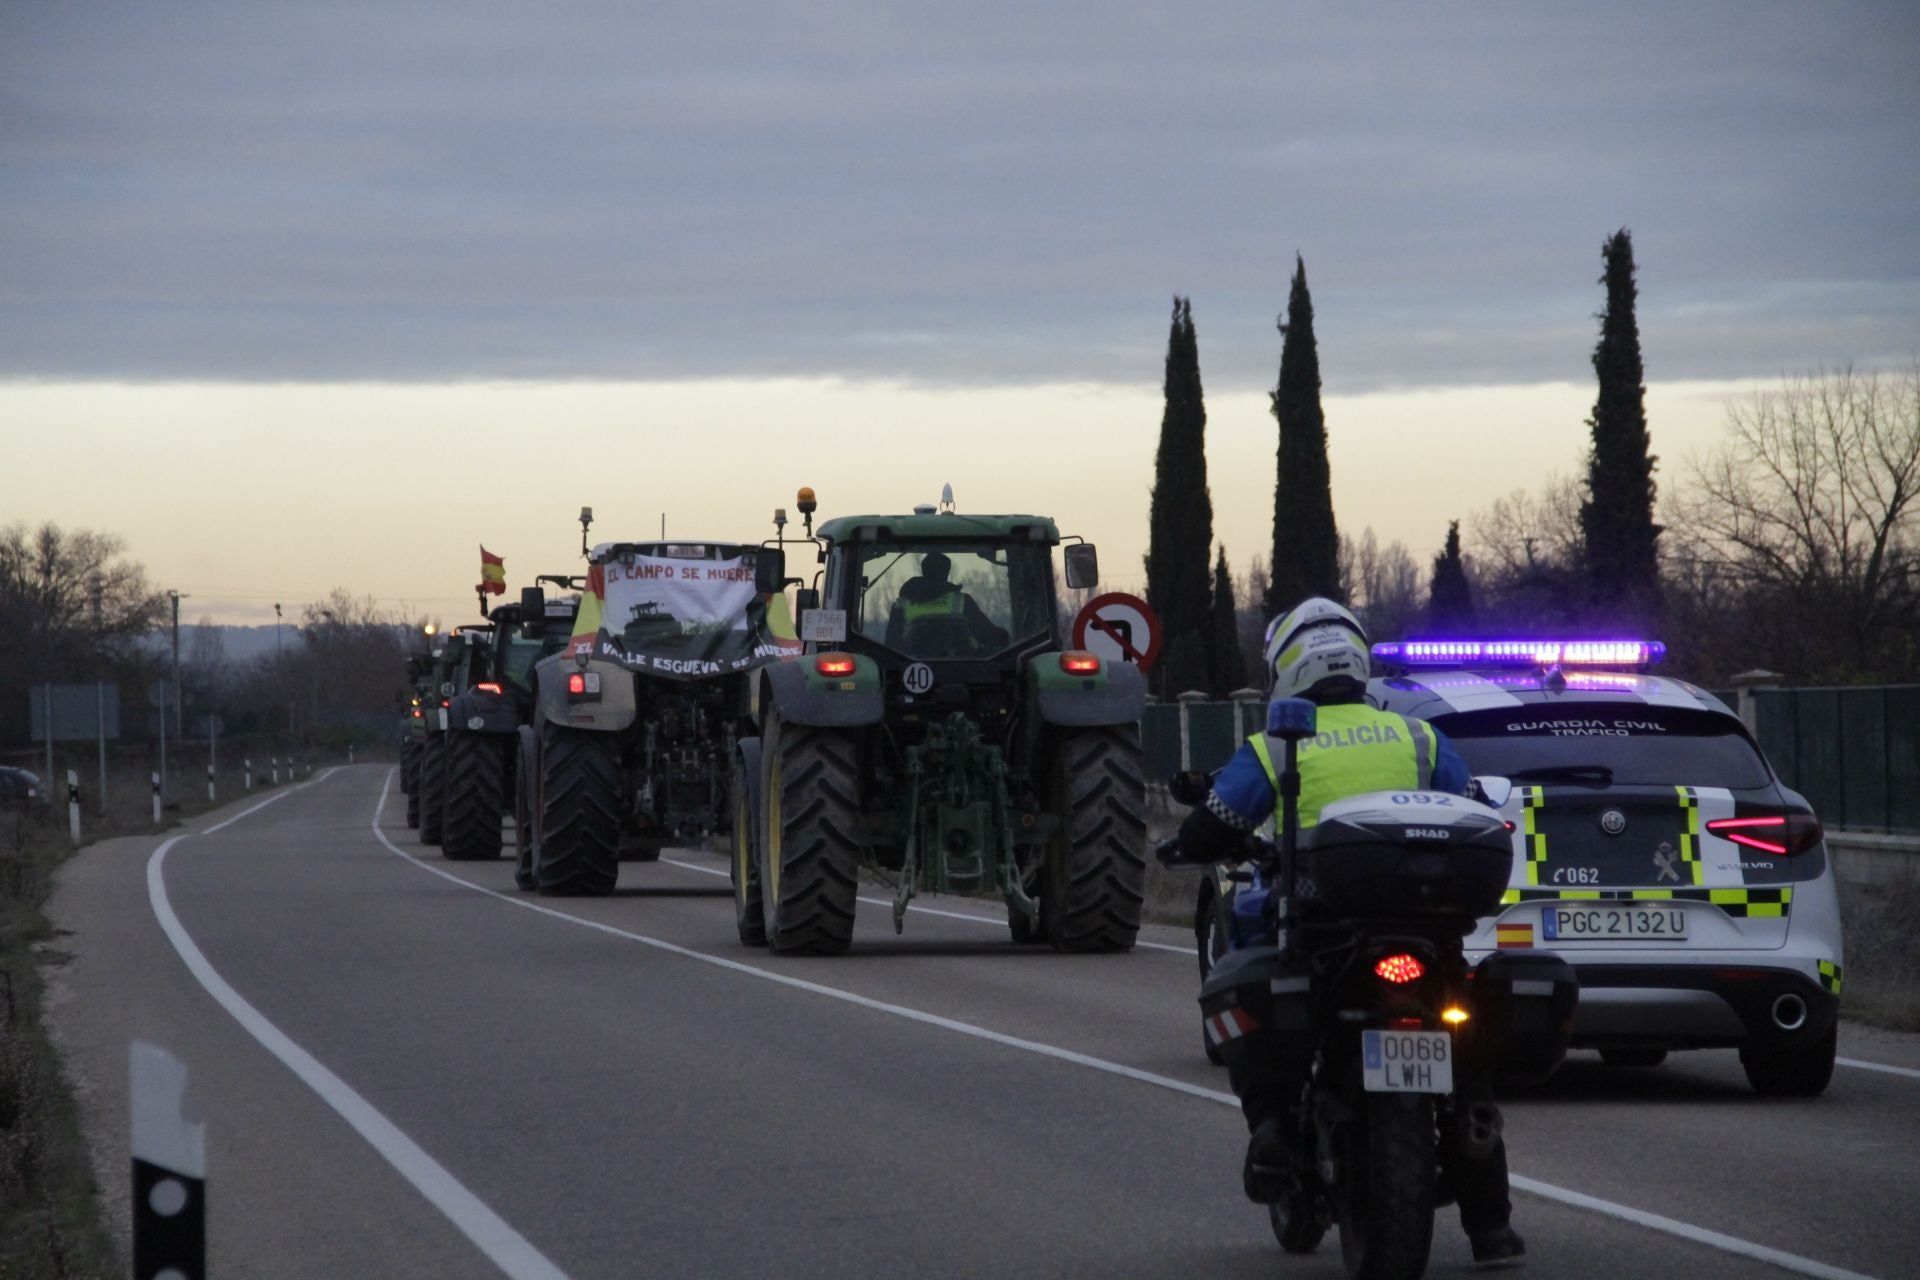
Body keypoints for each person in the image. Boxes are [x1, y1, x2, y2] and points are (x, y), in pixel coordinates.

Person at [1165, 597, 1526, 1269]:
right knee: (1467, 1057)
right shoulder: (1417, 737)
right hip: (1425, 926)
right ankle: (1492, 1228)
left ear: (1287, 667)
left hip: (1321, 928)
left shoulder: (1277, 743)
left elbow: (1214, 823)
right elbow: (1469, 804)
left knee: (1249, 984)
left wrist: (1181, 845)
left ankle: (1272, 1124)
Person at [884, 551, 1007, 654]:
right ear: (947, 572)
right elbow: (986, 634)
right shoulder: (961, 602)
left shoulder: (902, 605)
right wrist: (1002, 637)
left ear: (923, 571)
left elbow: (891, 646)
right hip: (962, 670)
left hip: (911, 672)